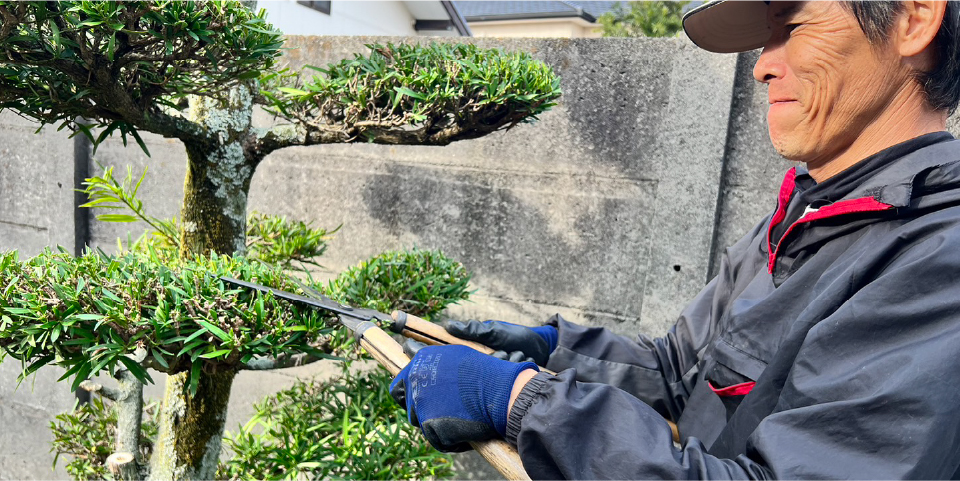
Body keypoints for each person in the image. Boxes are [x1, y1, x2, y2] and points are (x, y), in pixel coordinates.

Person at [389, 1, 960, 478]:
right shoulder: (806, 212)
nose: (762, 66)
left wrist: (521, 403)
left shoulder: (939, 259)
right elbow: (675, 370)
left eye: (792, 27)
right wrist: (550, 349)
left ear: (913, 18)